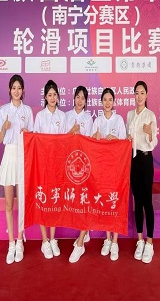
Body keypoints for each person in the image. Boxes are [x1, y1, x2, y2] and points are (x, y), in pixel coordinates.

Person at [0, 74, 34, 265]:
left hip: (23, 157)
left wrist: (27, 133)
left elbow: (32, 137)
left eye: (19, 88)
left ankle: (20, 241)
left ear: (23, 90)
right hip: (9, 156)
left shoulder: (27, 111)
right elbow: (0, 139)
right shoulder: (3, 110)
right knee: (9, 204)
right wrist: (4, 127)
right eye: (14, 88)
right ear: (9, 90)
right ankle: (11, 243)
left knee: (22, 203)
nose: (17, 91)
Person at [91, 88, 126, 262]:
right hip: (101, 169)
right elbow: (90, 143)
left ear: (114, 102)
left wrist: (116, 140)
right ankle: (107, 238)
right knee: (105, 202)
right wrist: (95, 137)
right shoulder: (97, 120)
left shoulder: (118, 120)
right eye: (104, 99)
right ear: (101, 102)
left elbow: (125, 143)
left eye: (110, 99)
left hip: (115, 168)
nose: (107, 102)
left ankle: (115, 242)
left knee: (115, 201)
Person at [34, 79, 67, 259]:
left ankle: (53, 239)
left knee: (54, 200)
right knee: (43, 199)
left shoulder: (63, 116)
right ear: (45, 97)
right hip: (43, 165)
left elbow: (66, 141)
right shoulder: (40, 116)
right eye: (49, 95)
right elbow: (35, 140)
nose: (52, 98)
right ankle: (44, 241)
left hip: (58, 165)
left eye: (54, 94)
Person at [126, 80, 158, 264]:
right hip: (133, 160)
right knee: (137, 202)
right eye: (136, 93)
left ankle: (150, 243)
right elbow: (127, 139)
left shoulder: (150, 115)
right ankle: (140, 240)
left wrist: (149, 133)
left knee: (147, 201)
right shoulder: (130, 115)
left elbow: (153, 143)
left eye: (142, 93)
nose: (139, 96)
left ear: (146, 95)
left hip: (146, 160)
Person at [66, 86, 94, 263]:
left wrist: (81, 135)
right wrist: (72, 131)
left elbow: (90, 142)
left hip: (83, 164)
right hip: (68, 164)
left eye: (83, 98)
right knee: (74, 198)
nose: (80, 101)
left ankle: (80, 242)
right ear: (74, 98)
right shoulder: (66, 116)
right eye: (78, 97)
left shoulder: (88, 119)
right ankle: (86, 231)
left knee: (84, 199)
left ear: (86, 101)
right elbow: (61, 140)